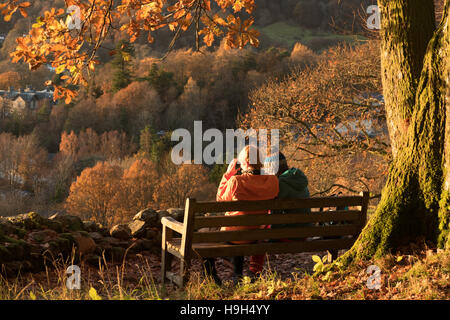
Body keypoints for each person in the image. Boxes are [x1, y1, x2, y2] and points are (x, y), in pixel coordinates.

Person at [203, 145, 279, 285]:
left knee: (207, 236)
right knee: (241, 228)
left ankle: (212, 276)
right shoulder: (272, 181)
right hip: (256, 235)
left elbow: (220, 198)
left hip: (235, 237)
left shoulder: (236, 181)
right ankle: (236, 275)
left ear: (245, 163)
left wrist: (227, 174)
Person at [263, 152, 311, 234]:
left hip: (289, 233)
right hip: (306, 230)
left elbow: (275, 217)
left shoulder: (281, 184)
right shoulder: (297, 178)